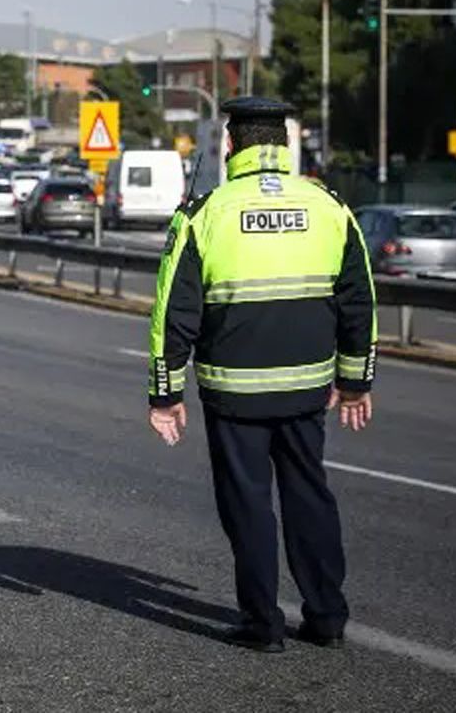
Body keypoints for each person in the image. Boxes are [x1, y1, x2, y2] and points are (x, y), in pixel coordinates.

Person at [146, 96, 376, 654]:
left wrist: (165, 393)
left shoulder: (208, 213)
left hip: (234, 395)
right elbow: (358, 299)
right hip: (307, 390)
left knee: (247, 504)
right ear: (286, 146)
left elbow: (173, 311)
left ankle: (263, 625)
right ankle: (326, 617)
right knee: (309, 497)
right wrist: (355, 382)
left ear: (230, 146)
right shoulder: (329, 206)